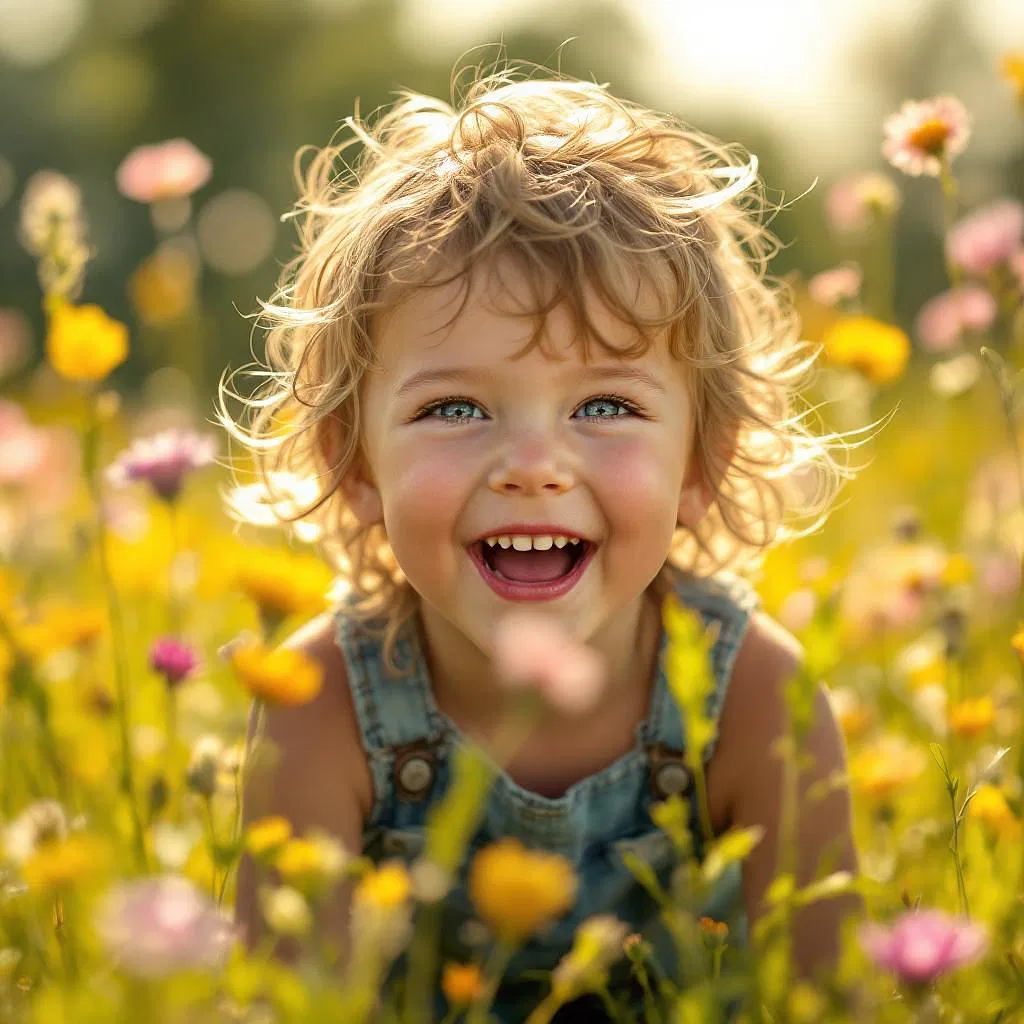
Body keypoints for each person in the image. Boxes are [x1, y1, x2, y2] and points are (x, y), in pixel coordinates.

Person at [223, 60, 862, 1021]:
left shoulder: (759, 700)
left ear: (703, 461)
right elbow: (284, 1002)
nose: (534, 465)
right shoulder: (323, 711)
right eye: (454, 406)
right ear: (354, 463)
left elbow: (832, 1002)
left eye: (604, 403)